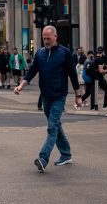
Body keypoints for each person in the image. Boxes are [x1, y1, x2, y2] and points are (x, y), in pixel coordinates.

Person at [14, 26, 80, 172]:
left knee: (52, 128)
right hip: (45, 97)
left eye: (48, 38)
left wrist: (78, 95)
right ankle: (66, 154)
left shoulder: (64, 53)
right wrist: (21, 86)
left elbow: (73, 75)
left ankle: (43, 159)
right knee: (56, 126)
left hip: (59, 96)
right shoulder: (40, 53)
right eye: (44, 38)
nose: (46, 41)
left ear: (56, 36)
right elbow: (31, 72)